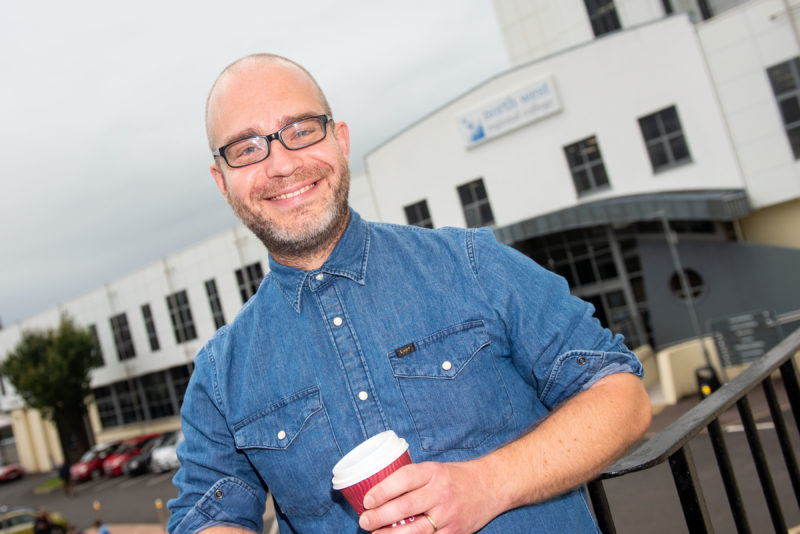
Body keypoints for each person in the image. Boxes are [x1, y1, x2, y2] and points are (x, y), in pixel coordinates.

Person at [166, 53, 651, 533]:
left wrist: (488, 484)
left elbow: (622, 398)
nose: (282, 163)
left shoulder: (473, 263)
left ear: (340, 139)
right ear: (222, 182)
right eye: (247, 148)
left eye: (300, 130)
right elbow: (204, 517)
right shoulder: (220, 375)